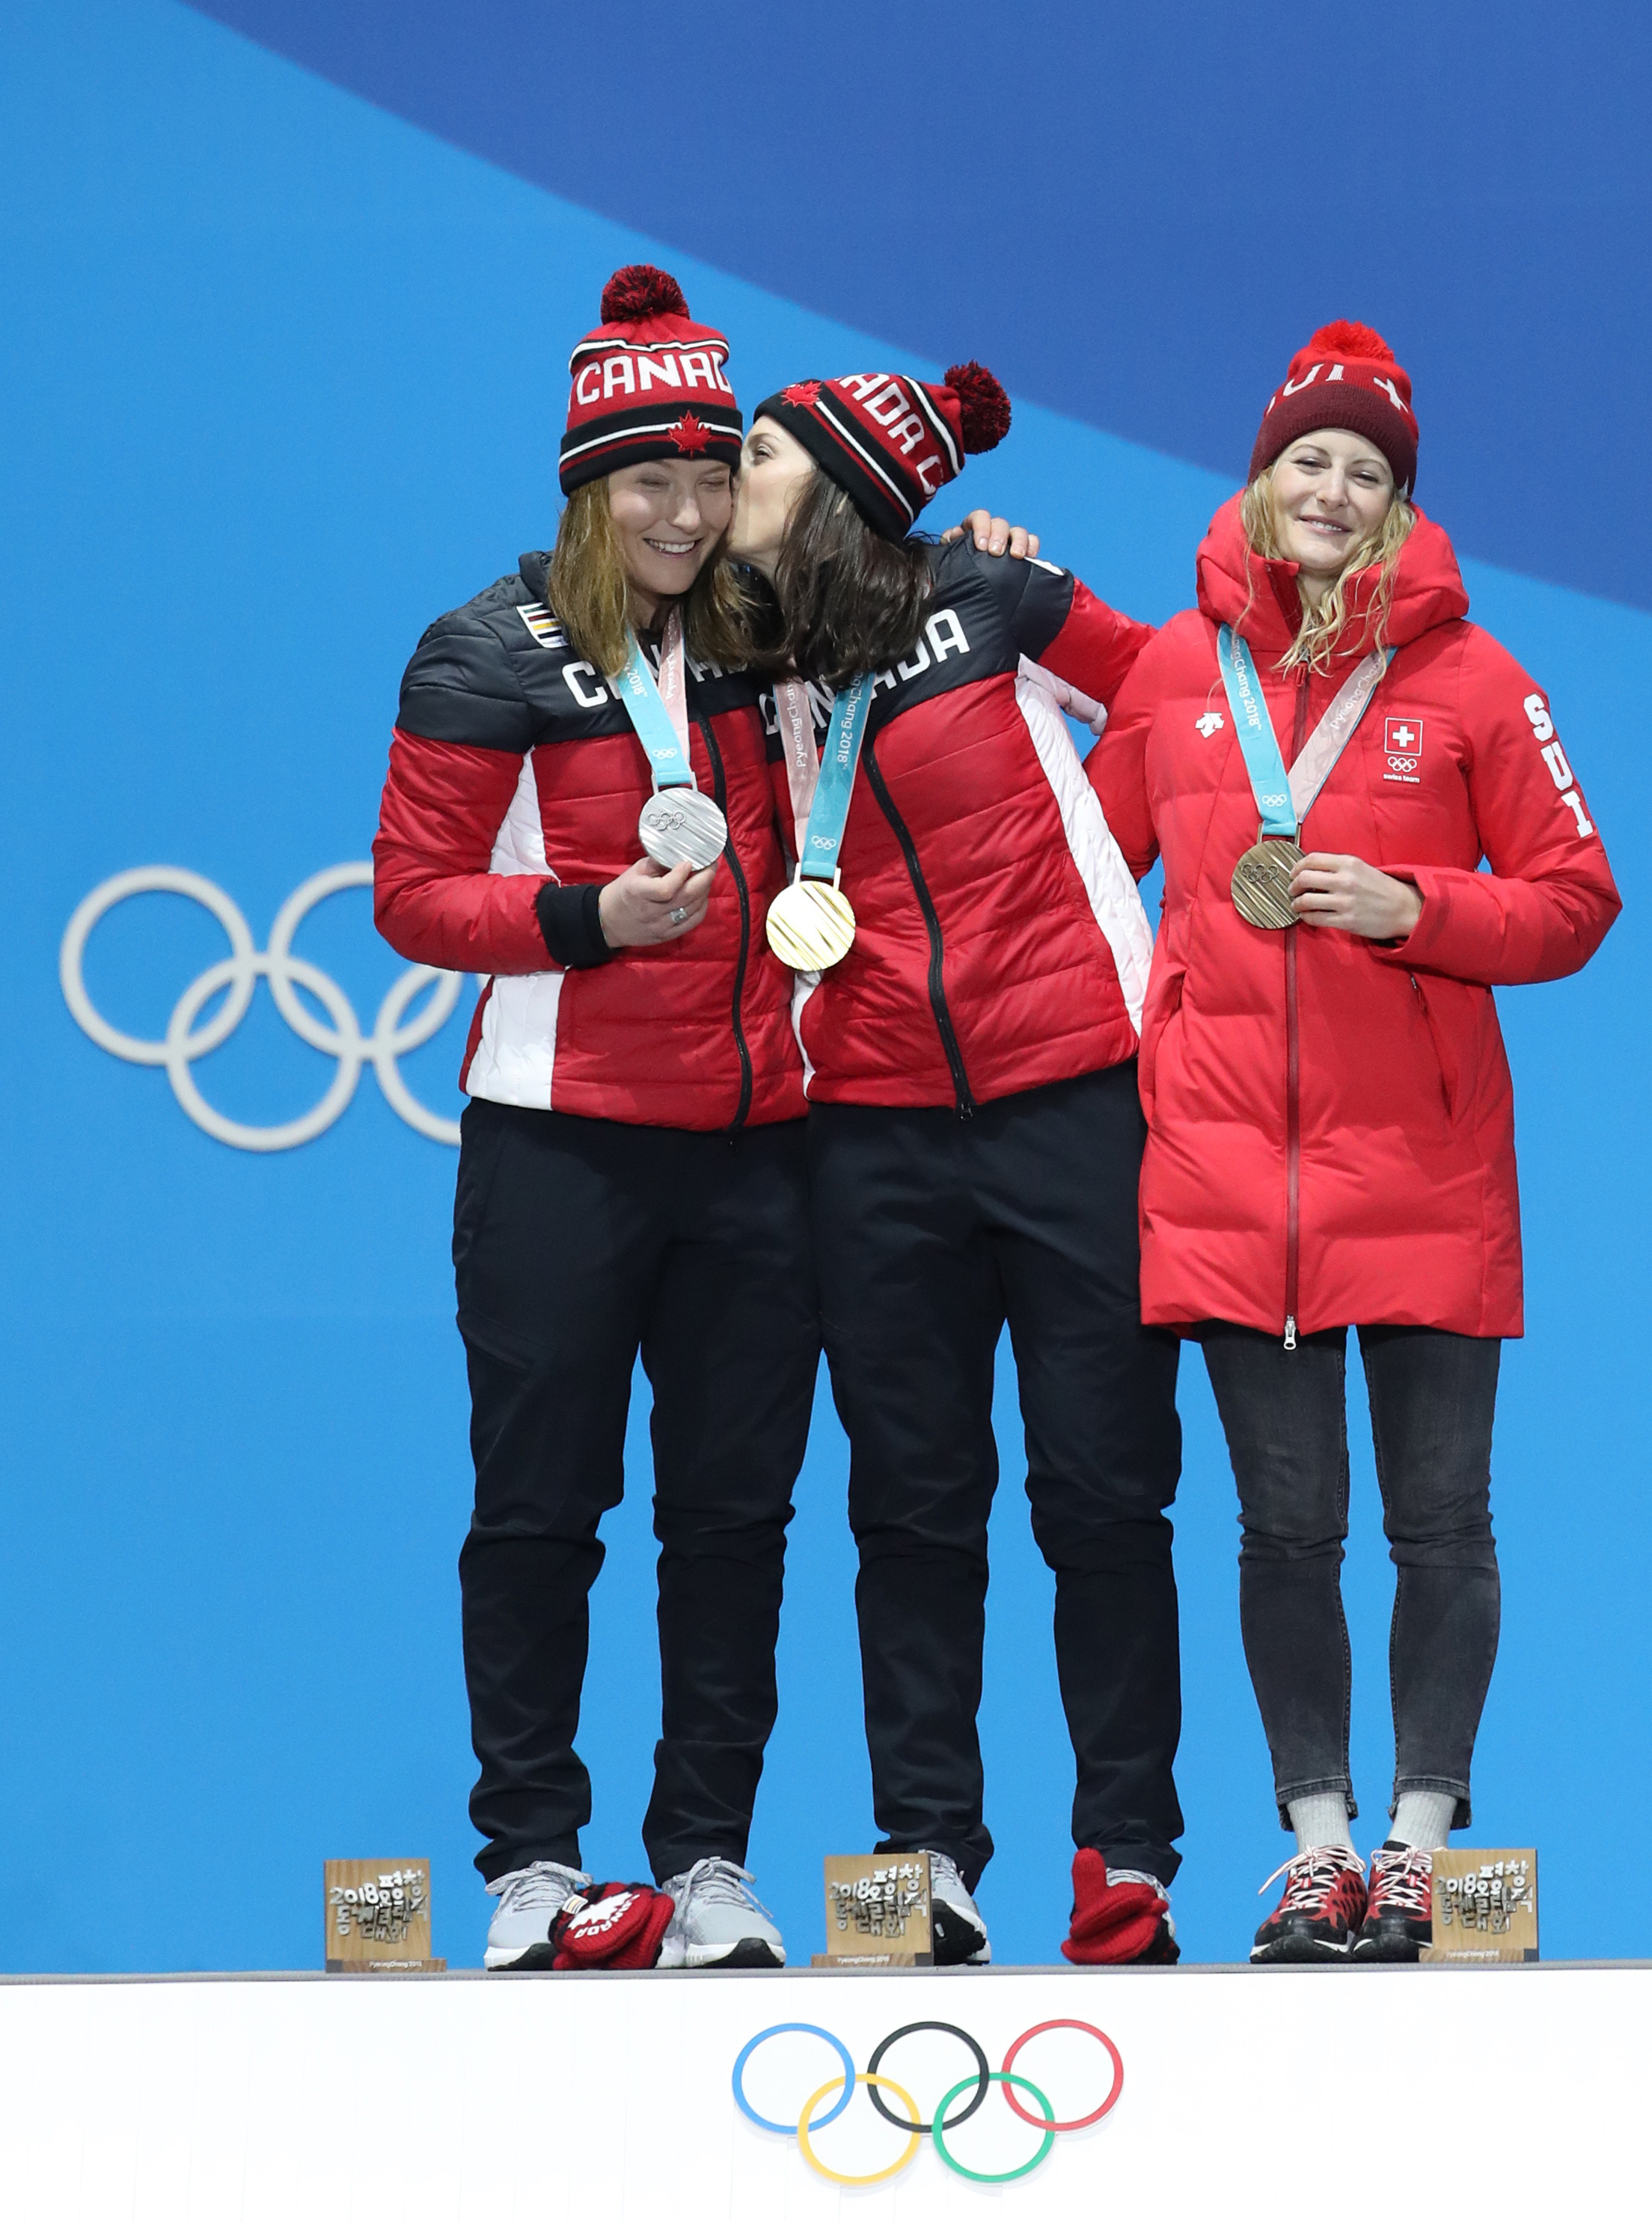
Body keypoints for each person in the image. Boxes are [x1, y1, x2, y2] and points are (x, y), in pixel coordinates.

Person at [1088, 322, 1621, 1961]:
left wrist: (1419, 905)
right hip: (1228, 1170)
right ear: (1260, 480)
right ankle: (1317, 1850)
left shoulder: (1477, 682)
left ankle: (1419, 1843)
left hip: (1426, 1165)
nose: (1331, 488)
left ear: (1398, 507)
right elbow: (1085, 888)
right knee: (1283, 1529)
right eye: (1307, 460)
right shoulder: (1176, 674)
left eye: (1365, 472)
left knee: (1442, 1522)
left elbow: (1577, 901)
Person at [373, 266, 819, 1971]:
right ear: (586, 485)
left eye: (711, 478)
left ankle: (708, 1861)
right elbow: (411, 897)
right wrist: (580, 918)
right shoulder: (485, 648)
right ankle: (534, 1869)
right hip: (557, 1140)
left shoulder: (774, 635)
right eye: (651, 481)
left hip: (760, 1149)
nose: (688, 513)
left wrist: (990, 552)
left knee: (733, 1515)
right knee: (538, 1509)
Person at [725, 361, 1186, 1967]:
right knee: (914, 1507)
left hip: (1073, 1105)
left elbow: (1179, 705)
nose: (733, 465)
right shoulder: (735, 651)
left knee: (1106, 1494)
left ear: (846, 481)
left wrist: (1090, 884)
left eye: (764, 448)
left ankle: (1126, 1848)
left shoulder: (989, 586)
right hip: (869, 1126)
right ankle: (929, 1853)